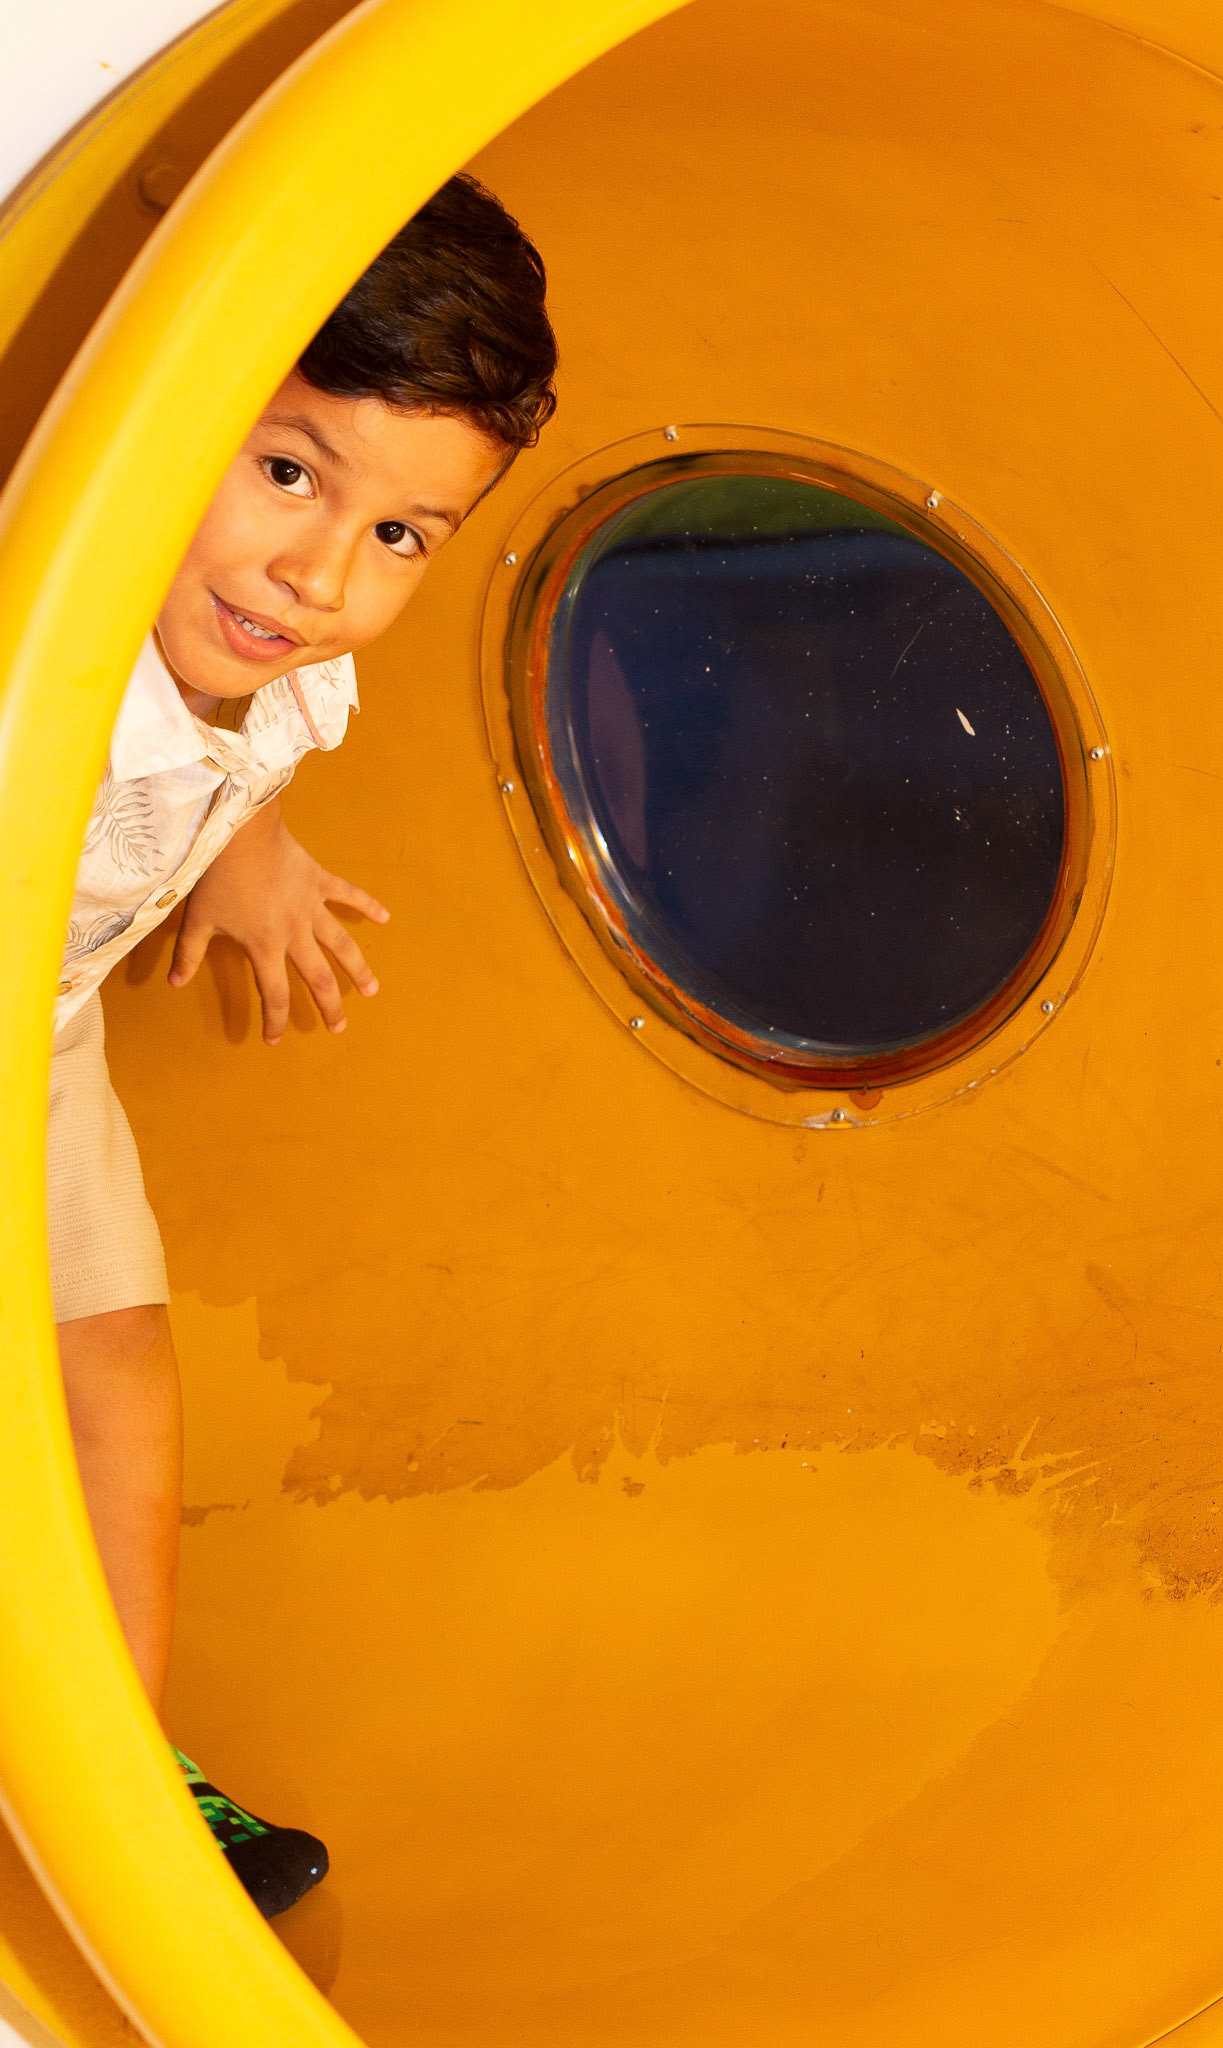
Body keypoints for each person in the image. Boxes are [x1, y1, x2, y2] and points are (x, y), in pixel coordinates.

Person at [49, 172, 556, 1917]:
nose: (320, 573)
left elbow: (229, 738)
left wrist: (246, 849)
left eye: (403, 534)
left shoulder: (274, 661)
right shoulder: (43, 628)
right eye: (287, 471)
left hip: (40, 1038)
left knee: (116, 1361)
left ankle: (118, 1775)